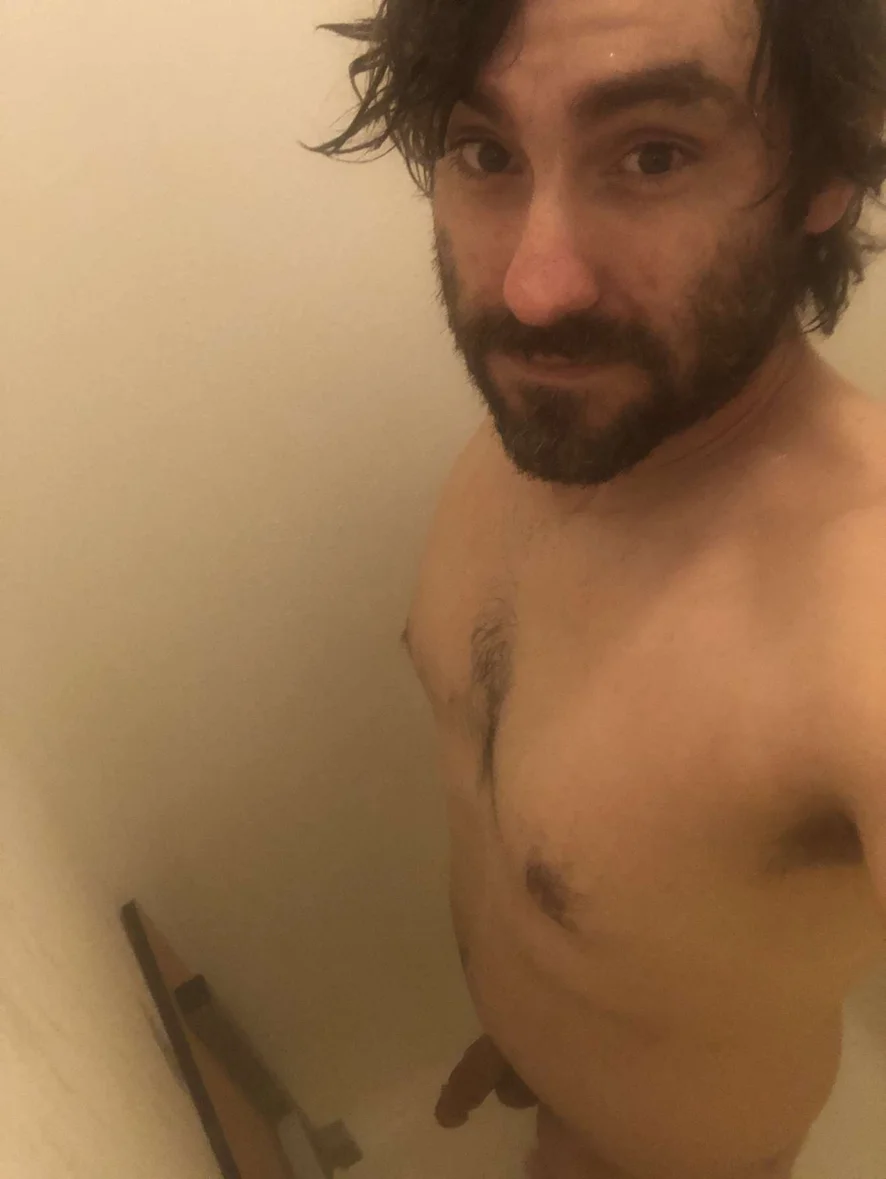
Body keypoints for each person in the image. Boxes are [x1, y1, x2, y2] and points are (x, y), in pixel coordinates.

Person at [315, 1, 886, 1175]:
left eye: (653, 154)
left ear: (828, 169)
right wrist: (539, 1028)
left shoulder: (855, 605)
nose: (534, 289)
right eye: (486, 153)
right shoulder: (544, 431)